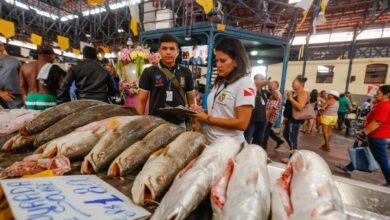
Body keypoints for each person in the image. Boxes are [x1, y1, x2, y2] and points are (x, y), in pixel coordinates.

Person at [192, 38, 255, 144]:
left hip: (229, 145)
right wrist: (202, 111)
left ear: (236, 61)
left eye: (223, 60)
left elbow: (242, 123)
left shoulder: (245, 83)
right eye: (217, 60)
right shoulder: (220, 82)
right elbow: (221, 112)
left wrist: (207, 119)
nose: (218, 65)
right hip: (210, 140)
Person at [137, 33, 195, 128]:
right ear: (159, 51)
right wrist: (139, 123)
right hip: (155, 124)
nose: (168, 52)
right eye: (164, 48)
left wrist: (195, 121)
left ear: (178, 51)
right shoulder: (149, 71)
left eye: (172, 49)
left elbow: (191, 100)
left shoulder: (186, 72)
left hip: (179, 124)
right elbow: (141, 100)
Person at [337, 85, 390, 187]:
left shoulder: (384, 105)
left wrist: (363, 133)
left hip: (378, 136)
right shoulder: (384, 104)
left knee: (381, 159)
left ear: (387, 95)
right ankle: (348, 168)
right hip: (380, 136)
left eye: (378, 93)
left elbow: (377, 122)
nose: (376, 94)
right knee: (366, 151)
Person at [19, 45, 66, 110]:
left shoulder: (25, 66)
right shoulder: (55, 68)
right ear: (51, 56)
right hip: (47, 99)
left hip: (30, 99)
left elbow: (22, 85)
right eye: (54, 56)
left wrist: (29, 97)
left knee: (33, 120)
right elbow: (63, 87)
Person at [281, 75, 309, 163]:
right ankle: (294, 151)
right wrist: (285, 118)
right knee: (286, 135)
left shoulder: (302, 93)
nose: (292, 84)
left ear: (300, 84)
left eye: (294, 83)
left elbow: (300, 107)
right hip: (290, 119)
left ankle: (292, 158)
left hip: (295, 120)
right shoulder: (295, 92)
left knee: (292, 137)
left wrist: (290, 98)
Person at [244, 74, 268, 146]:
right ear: (255, 80)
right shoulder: (249, 89)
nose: (265, 81)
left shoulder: (264, 92)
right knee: (247, 139)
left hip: (262, 120)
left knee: (258, 141)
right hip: (251, 120)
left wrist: (272, 88)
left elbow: (276, 97)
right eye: (262, 79)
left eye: (264, 79)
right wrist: (257, 86)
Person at [0, 42, 23, 109]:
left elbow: (22, 78)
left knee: (19, 117)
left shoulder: (15, 61)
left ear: (3, 47)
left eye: (0, 45)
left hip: (14, 96)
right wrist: (1, 93)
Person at [263, 80, 284, 149]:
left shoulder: (276, 93)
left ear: (276, 86)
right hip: (269, 115)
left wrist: (267, 118)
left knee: (265, 131)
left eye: (272, 84)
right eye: (270, 84)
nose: (270, 85)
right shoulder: (272, 93)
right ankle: (279, 140)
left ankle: (263, 146)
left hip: (270, 115)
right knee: (268, 130)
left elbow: (272, 108)